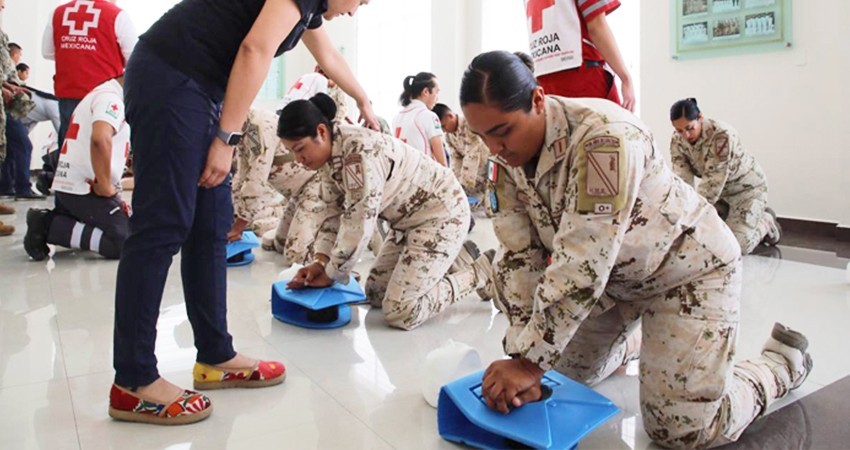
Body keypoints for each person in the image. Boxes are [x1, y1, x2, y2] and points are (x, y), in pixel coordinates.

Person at [460, 51, 811, 448]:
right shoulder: (505, 162)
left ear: (538, 100)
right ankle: (644, 339)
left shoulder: (604, 139)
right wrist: (523, 353)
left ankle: (781, 364)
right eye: (482, 135)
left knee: (680, 431)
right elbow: (518, 261)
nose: (493, 148)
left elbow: (582, 262)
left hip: (688, 275)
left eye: (502, 131)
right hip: (617, 283)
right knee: (561, 374)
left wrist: (528, 363)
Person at [110, 0, 379, 426]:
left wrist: (364, 100)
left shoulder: (309, 10)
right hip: (171, 76)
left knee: (209, 226)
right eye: (362, 0)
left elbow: (327, 56)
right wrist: (226, 137)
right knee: (163, 225)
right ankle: (133, 380)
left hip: (201, 88)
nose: (356, 10)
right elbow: (255, 50)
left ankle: (216, 354)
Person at [281, 94, 492, 330]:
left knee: (401, 311)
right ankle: (456, 256)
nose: (299, 160)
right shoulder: (330, 156)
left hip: (441, 216)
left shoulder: (358, 153)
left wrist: (332, 273)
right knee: (375, 293)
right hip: (406, 223)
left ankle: (480, 271)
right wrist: (320, 262)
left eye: (300, 149)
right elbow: (331, 215)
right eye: (292, 152)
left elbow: (358, 223)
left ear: (321, 132)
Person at [23, 77, 130, 261]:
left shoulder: (103, 93)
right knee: (126, 242)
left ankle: (67, 221)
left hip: (76, 184)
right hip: (85, 189)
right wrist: (105, 185)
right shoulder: (111, 100)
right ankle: (49, 225)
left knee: (128, 227)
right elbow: (100, 139)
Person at [42, 0, 138, 187]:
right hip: (104, 93)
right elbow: (134, 57)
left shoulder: (58, 13)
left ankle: (65, 206)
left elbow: (47, 52)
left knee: (69, 151)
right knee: (105, 146)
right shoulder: (116, 15)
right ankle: (101, 197)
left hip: (69, 90)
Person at [670, 98, 780, 254]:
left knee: (737, 246)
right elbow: (682, 179)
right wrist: (679, 213)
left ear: (700, 117)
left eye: (690, 128)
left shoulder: (722, 136)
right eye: (680, 130)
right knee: (702, 241)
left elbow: (712, 184)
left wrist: (691, 218)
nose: (685, 135)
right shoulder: (678, 140)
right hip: (721, 196)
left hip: (746, 192)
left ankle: (766, 221)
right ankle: (734, 219)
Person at [229, 107, 328, 267]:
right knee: (276, 244)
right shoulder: (241, 128)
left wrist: (237, 228)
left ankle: (331, 238)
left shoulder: (257, 129)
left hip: (314, 186)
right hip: (296, 194)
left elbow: (256, 182)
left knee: (295, 256)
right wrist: (233, 217)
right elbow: (241, 176)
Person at [524, 0, 635, 111]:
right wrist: (626, 79)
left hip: (545, 80)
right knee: (613, 126)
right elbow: (596, 26)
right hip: (583, 76)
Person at [433, 103, 489, 201]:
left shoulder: (470, 125)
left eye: (444, 126)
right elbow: (455, 159)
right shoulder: (449, 136)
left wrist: (463, 185)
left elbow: (472, 155)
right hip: (472, 177)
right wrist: (454, 182)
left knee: (491, 206)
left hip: (486, 170)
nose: (443, 130)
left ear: (450, 116)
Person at [391, 72, 448, 166]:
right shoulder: (428, 116)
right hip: (422, 176)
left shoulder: (397, 118)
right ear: (425, 92)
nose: (437, 98)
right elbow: (441, 161)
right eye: (436, 92)